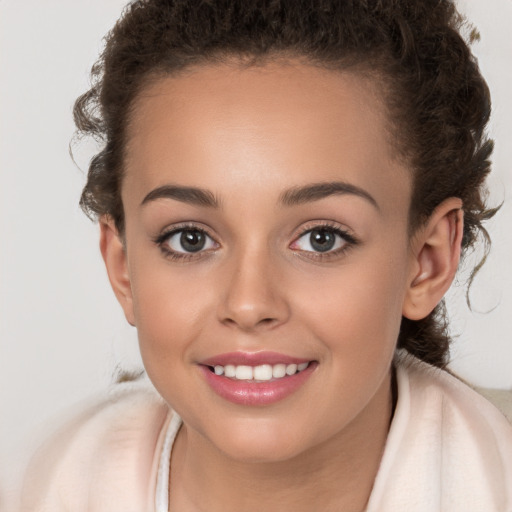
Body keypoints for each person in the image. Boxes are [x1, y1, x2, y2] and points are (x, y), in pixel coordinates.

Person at [18, 0, 512, 511]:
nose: (250, 304)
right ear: (123, 268)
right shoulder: (38, 486)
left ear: (426, 261)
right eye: (190, 239)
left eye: (322, 238)